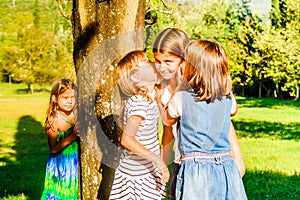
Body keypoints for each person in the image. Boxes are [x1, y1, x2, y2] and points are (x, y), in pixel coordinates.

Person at [153, 27, 245, 200]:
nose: (161, 67)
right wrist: (162, 166)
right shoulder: (222, 95)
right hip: (211, 166)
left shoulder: (181, 96)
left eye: (168, 61)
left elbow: (224, 123)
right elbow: (168, 134)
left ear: (184, 62)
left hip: (193, 169)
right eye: (157, 60)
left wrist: (238, 157)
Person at [109, 50, 169, 200]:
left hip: (145, 170)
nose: (152, 64)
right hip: (135, 177)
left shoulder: (151, 94)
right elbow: (127, 140)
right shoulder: (139, 102)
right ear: (135, 77)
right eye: (146, 62)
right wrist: (157, 160)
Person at [41, 78, 79, 200]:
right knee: (60, 193)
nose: (70, 101)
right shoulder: (54, 120)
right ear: (55, 99)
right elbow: (53, 149)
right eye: (65, 97)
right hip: (61, 164)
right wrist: (73, 136)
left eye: (72, 97)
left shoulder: (76, 113)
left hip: (75, 161)